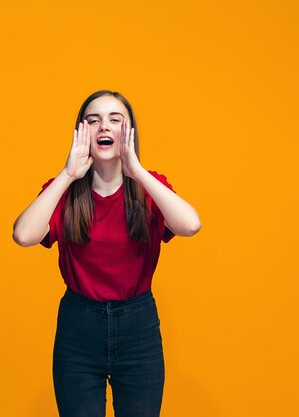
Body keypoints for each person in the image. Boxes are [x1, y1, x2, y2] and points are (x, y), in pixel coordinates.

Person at [12, 90, 201, 417]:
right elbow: (24, 234)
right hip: (78, 328)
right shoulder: (65, 192)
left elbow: (190, 225)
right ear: (81, 132)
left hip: (138, 328)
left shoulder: (149, 187)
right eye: (93, 120)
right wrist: (68, 174)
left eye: (115, 120)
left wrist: (137, 172)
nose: (104, 127)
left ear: (128, 133)